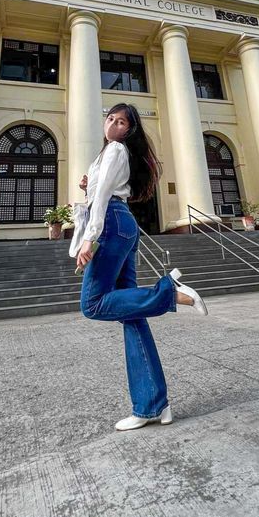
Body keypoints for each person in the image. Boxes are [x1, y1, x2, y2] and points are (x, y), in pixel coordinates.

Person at [70, 103, 208, 432]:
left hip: (112, 225)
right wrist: (88, 188)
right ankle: (153, 405)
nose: (114, 125)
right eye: (111, 119)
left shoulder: (116, 149)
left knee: (93, 304)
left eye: (122, 122)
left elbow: (103, 195)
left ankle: (169, 293)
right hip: (122, 224)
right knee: (132, 317)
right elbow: (99, 190)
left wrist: (90, 237)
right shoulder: (110, 154)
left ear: (129, 130)